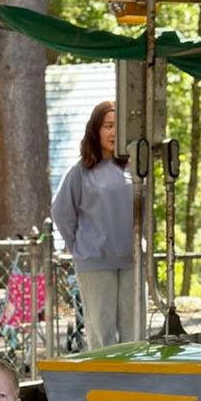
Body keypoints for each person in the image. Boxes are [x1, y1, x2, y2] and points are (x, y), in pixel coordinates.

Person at [51, 100, 136, 350]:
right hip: (95, 263)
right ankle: (104, 386)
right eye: (108, 126)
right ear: (95, 130)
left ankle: (133, 387)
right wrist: (79, 246)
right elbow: (60, 212)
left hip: (132, 262)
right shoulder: (80, 172)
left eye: (118, 127)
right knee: (102, 336)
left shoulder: (134, 170)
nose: (113, 133)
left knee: (135, 336)